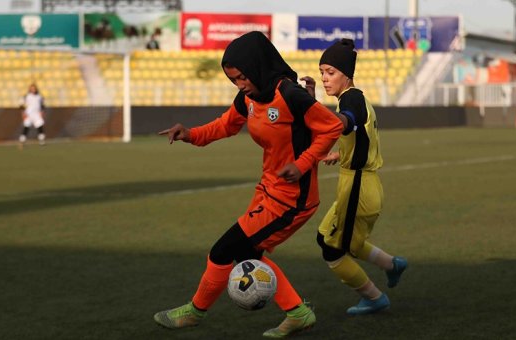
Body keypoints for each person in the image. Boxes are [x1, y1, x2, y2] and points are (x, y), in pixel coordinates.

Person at [153, 31, 343, 338]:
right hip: (267, 191)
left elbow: (331, 127)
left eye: (242, 77)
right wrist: (191, 134)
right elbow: (227, 124)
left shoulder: (291, 95)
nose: (240, 85)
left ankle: (194, 312)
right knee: (248, 255)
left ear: (257, 67)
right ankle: (298, 313)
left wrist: (303, 164)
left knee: (223, 250)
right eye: (234, 80)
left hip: (293, 201)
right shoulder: (250, 97)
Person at [302, 39, 407, 315]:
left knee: (333, 250)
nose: (325, 78)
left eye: (331, 72)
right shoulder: (355, 97)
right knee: (331, 238)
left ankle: (374, 298)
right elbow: (359, 135)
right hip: (359, 184)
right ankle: (392, 264)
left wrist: (334, 122)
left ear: (346, 74)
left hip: (358, 188)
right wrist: (340, 153)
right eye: (322, 71)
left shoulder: (351, 99)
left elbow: (349, 118)